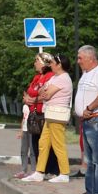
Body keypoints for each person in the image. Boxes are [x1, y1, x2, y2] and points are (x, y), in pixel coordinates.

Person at [71, 46, 98, 194]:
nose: (78, 61)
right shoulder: (86, 74)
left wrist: (89, 108)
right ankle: (91, 190)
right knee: (89, 159)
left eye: (80, 58)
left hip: (97, 120)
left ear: (90, 58)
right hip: (87, 121)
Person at [33, 54, 73, 185]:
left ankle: (64, 173)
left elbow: (47, 94)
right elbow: (40, 92)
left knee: (58, 144)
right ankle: (39, 172)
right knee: (43, 143)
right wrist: (44, 91)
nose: (50, 65)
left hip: (57, 114)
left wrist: (45, 92)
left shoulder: (63, 78)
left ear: (59, 64)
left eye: (52, 62)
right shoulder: (55, 77)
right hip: (50, 114)